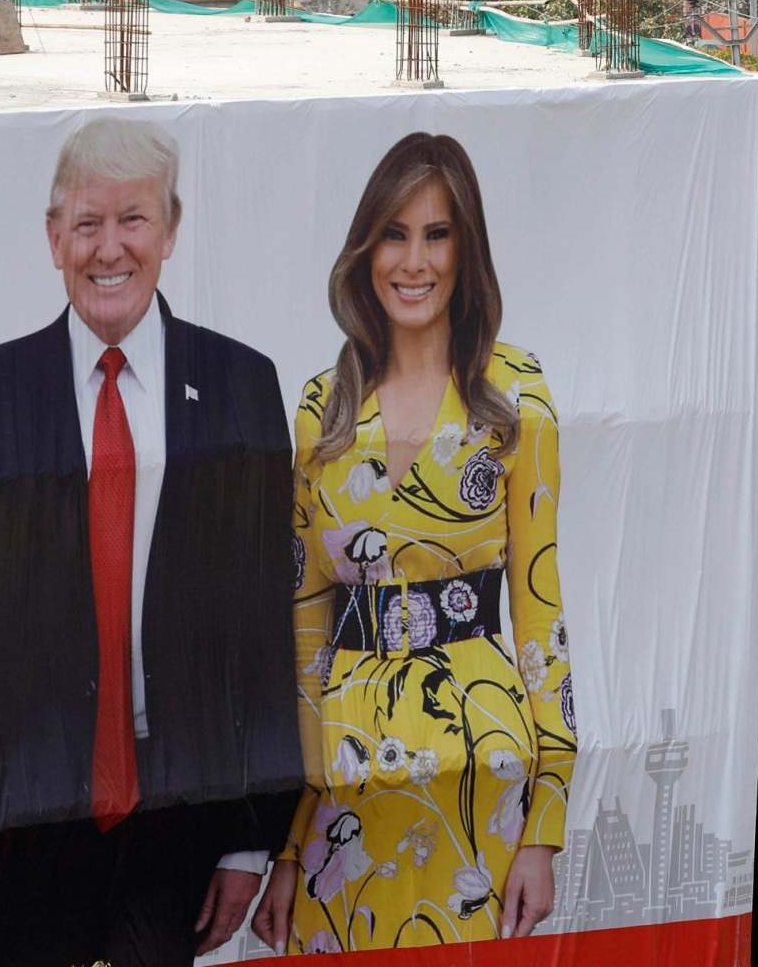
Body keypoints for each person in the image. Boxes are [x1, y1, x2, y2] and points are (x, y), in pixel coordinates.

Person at [0, 119, 299, 967]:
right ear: (52, 237)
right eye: (86, 223)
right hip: (13, 829)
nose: (110, 248)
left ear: (171, 228)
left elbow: (261, 630)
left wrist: (248, 838)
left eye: (134, 219)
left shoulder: (240, 385)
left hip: (173, 826)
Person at [253, 133, 574, 952]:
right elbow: (301, 632)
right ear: (365, 251)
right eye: (394, 233)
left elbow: (541, 619)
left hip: (480, 778)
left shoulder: (516, 399)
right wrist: (287, 844)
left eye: (437, 233)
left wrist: (545, 822)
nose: (414, 260)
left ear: (467, 249)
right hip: (343, 789)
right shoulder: (320, 408)